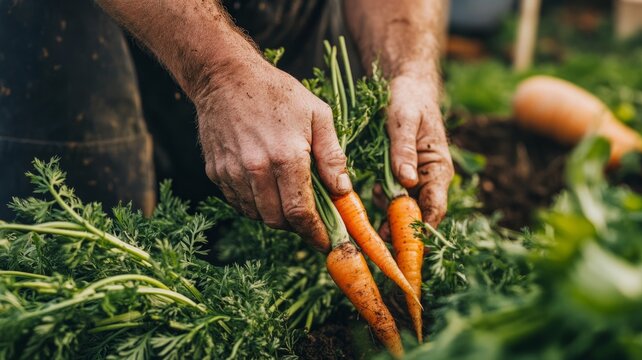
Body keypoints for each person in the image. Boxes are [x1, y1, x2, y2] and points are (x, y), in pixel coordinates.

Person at [0, 0, 453, 252]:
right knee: (97, 255)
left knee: (286, 241)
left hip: (279, 16)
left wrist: (408, 69)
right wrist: (221, 72)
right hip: (81, 25)